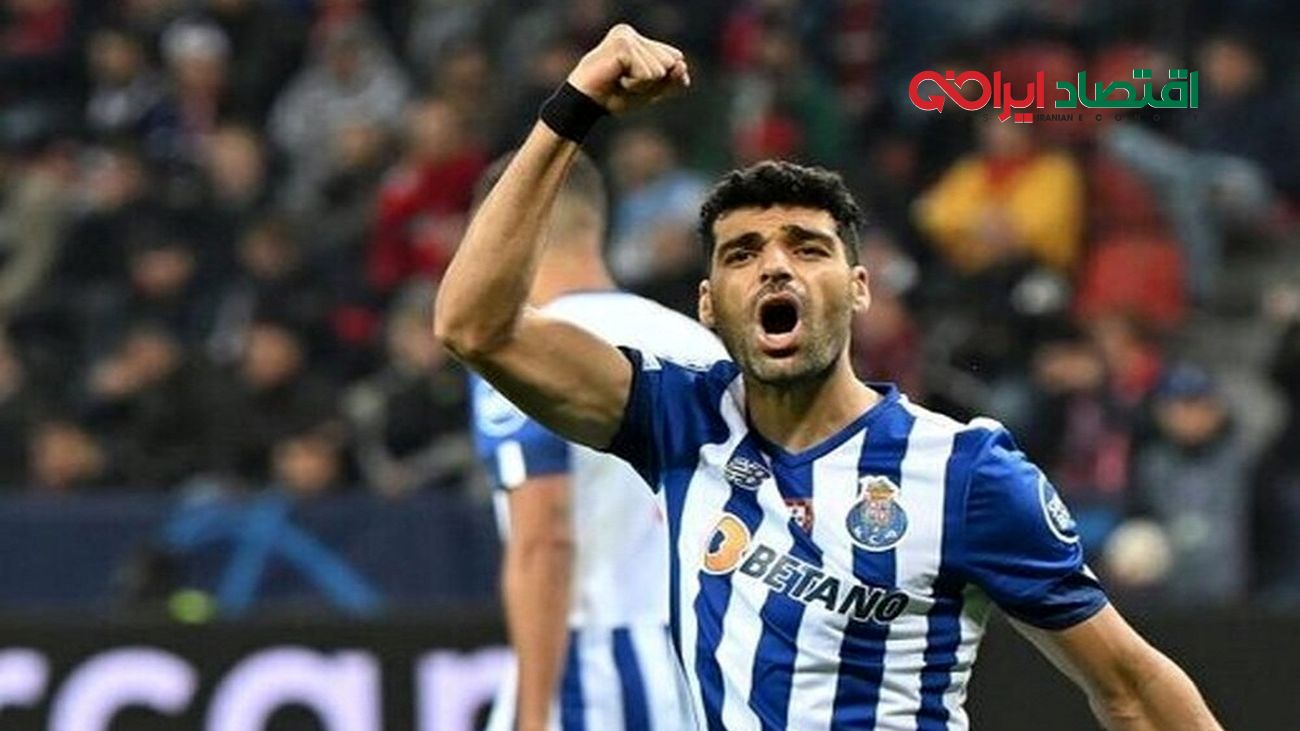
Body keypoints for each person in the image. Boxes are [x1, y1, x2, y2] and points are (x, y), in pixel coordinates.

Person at [435, 24, 1222, 731]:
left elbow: (1131, 688)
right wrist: (574, 106)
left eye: (808, 247)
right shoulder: (680, 421)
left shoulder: (965, 472)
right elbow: (474, 326)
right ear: (708, 304)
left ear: (859, 288)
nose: (775, 265)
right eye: (743, 253)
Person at [469, 151, 721, 731]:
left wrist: (534, 715)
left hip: (592, 668)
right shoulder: (699, 346)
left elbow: (544, 537)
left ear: (507, 228)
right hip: (700, 663)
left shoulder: (523, 351)